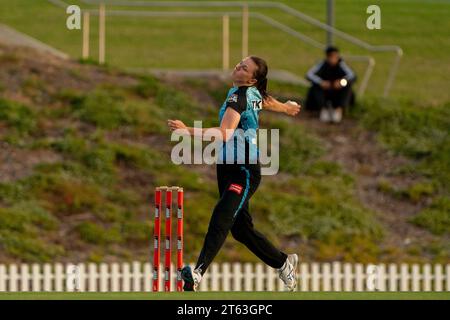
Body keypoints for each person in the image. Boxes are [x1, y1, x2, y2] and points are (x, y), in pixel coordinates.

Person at [168, 56, 301, 292]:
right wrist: (286, 107)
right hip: (226, 168)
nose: (238, 66)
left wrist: (186, 130)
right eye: (239, 63)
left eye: (244, 67)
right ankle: (283, 262)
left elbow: (223, 133)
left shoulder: (239, 96)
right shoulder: (247, 93)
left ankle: (197, 274)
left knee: (222, 214)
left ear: (252, 78)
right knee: (240, 230)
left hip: (244, 170)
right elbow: (265, 100)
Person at [305, 46, 356, 123]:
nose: (333, 59)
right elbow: (309, 74)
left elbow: (352, 76)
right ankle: (323, 109)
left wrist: (341, 82)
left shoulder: (341, 65)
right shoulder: (322, 64)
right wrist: (321, 82)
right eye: (331, 57)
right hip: (325, 91)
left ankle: (339, 110)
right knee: (316, 86)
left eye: (335, 57)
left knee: (347, 86)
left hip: (338, 91)